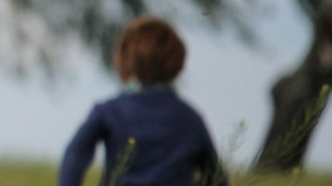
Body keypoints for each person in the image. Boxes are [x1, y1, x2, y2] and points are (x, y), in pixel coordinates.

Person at [57, 17, 228, 186]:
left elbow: (74, 156)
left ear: (124, 62)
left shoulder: (109, 111)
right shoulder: (190, 119)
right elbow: (216, 178)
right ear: (178, 65)